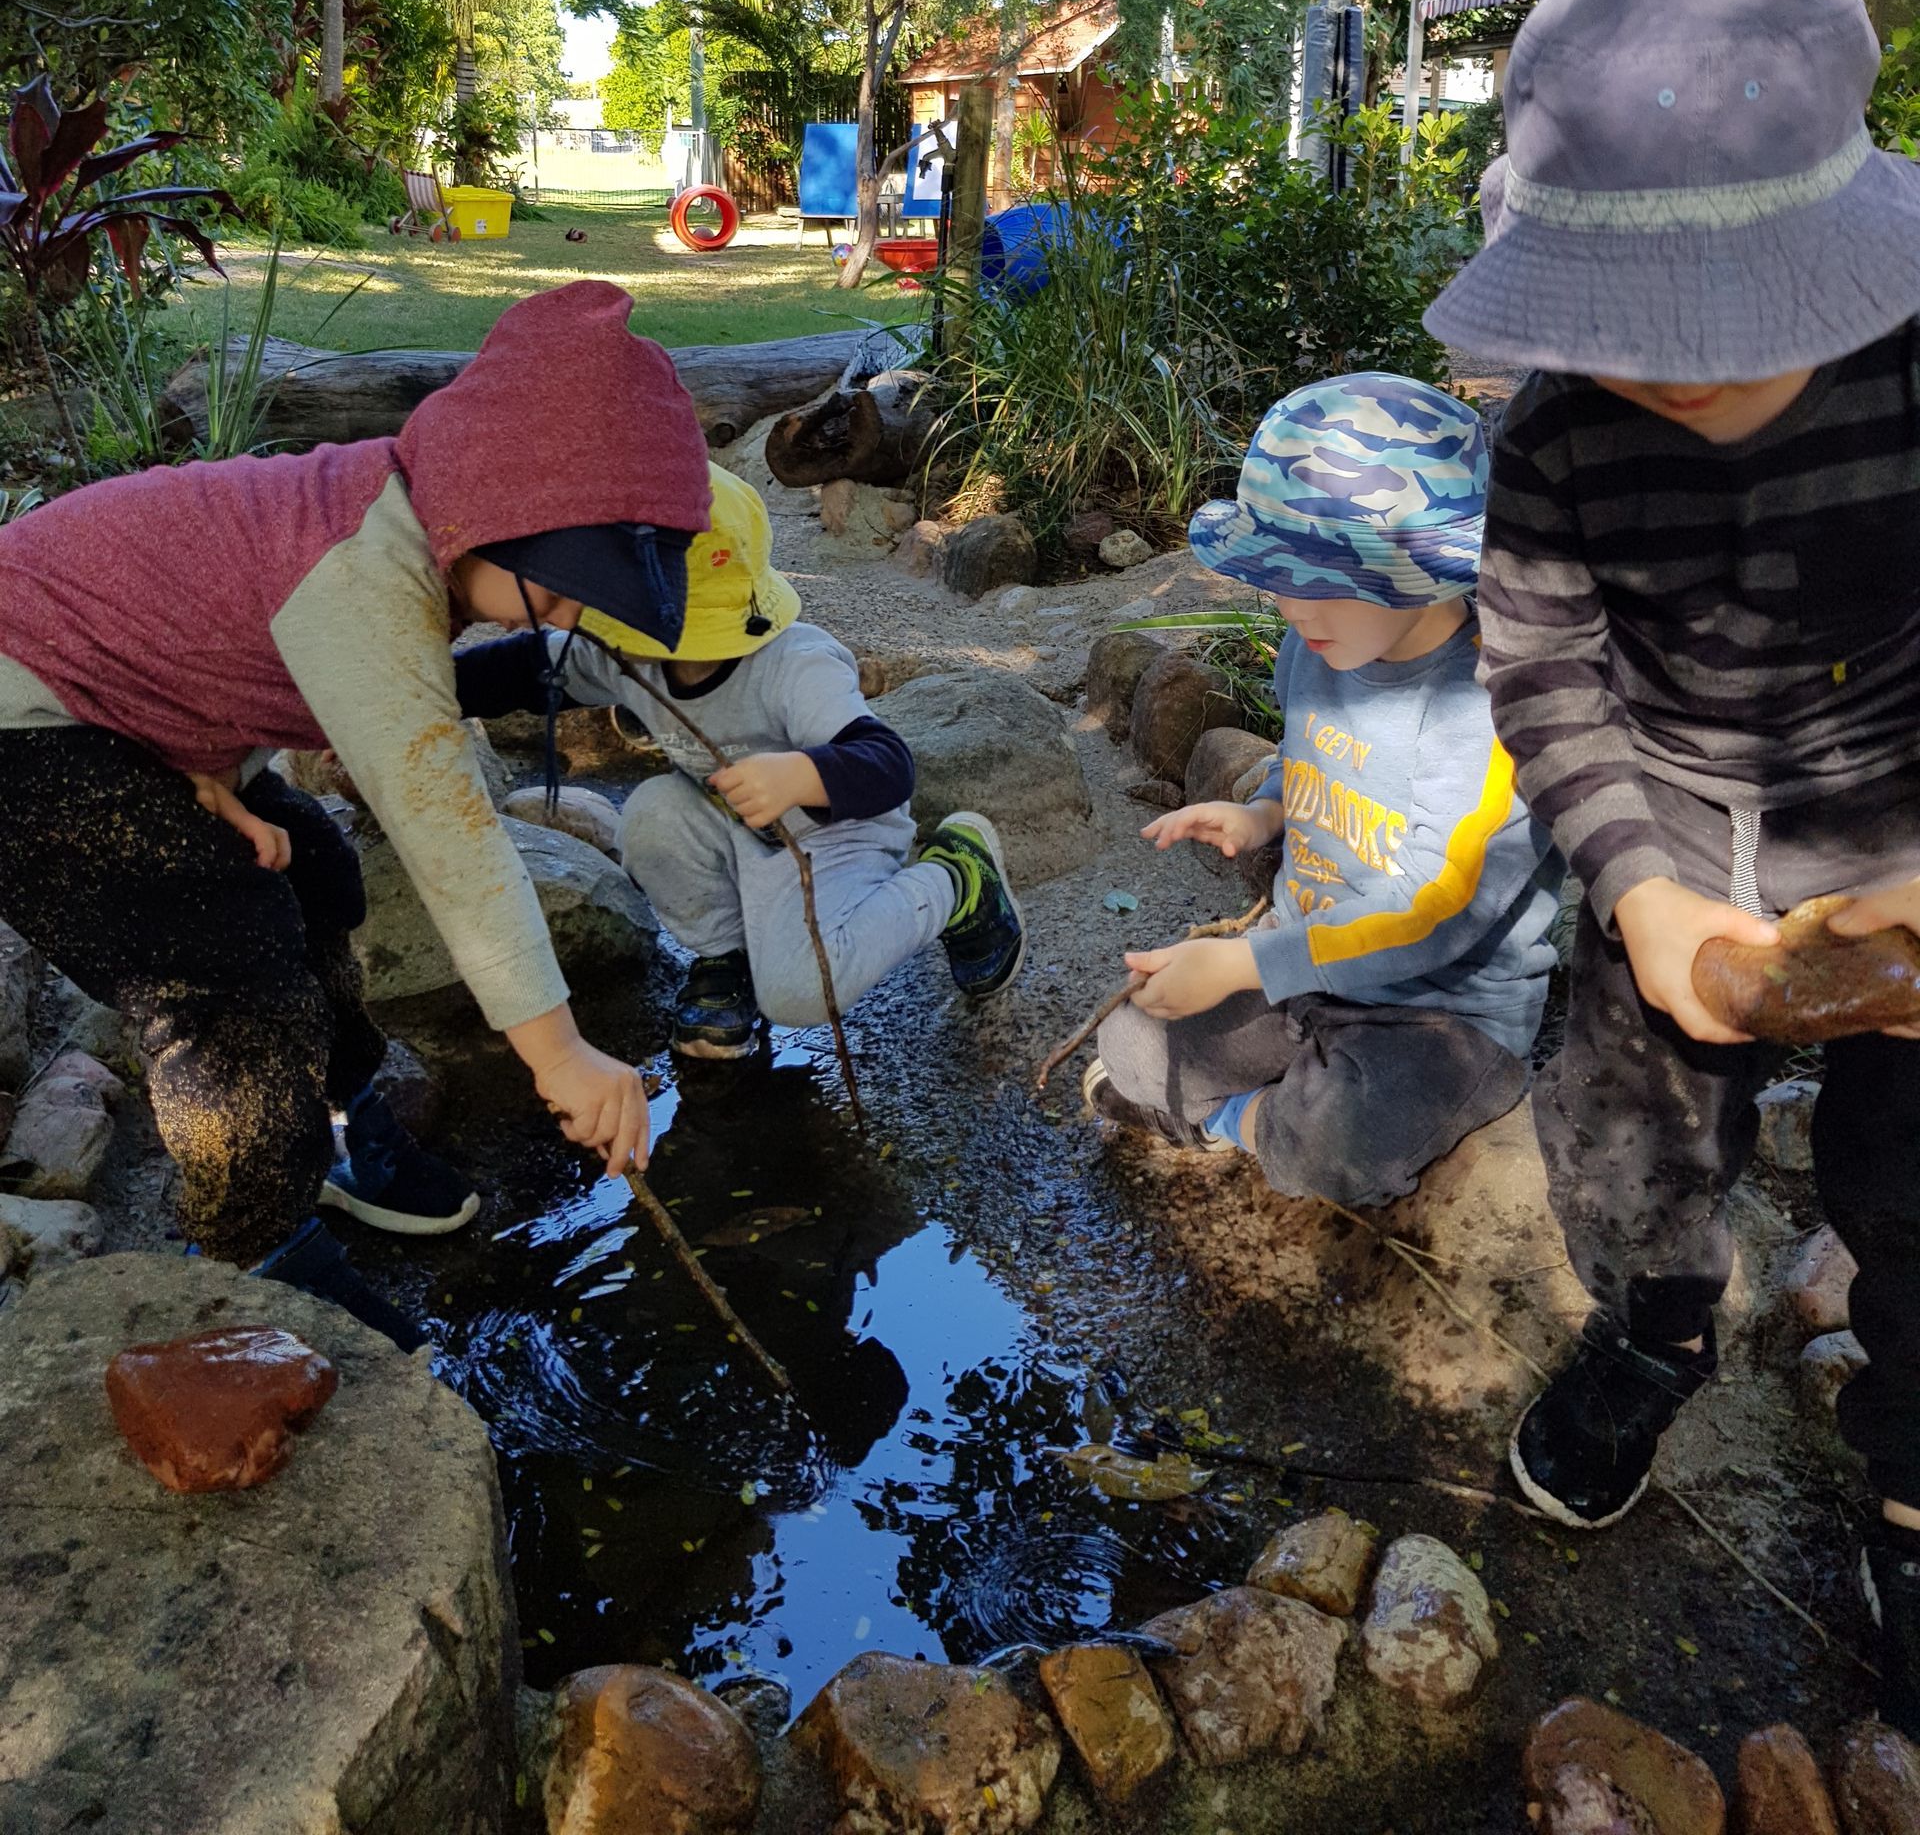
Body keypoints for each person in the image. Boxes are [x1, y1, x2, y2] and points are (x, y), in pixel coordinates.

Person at [1426, 0, 1920, 1731]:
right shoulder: (1558, 434)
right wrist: (1635, 890)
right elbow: (1545, 661)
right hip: (1679, 828)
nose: (1679, 372)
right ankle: (1654, 1326)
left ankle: (1912, 1486)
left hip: (1902, 820)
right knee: (1625, 1130)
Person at [0, 280, 710, 1347]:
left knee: (318, 864)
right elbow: (453, 842)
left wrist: (211, 774)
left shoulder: (402, 514)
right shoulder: (362, 575)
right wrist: (559, 1052)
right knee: (225, 962)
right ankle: (252, 1251)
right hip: (27, 726)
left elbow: (233, 653)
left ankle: (335, 1127)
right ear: (489, 516)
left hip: (124, 718)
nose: (568, 611)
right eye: (558, 590)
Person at [1085, 374, 1562, 1204]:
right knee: (1133, 1039)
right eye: (1277, 575)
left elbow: (1437, 906)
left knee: (1338, 1149)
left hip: (1438, 1010)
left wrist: (1247, 962)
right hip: (1306, 961)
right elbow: (1311, 749)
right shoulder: (1320, 643)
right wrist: (1265, 808)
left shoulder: (1485, 706)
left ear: (1432, 574)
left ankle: (1247, 1124)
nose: (1288, 603)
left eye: (1320, 578)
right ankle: (1257, 1101)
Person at [456, 466, 1027, 1061]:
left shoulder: (794, 663)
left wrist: (798, 775)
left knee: (803, 994)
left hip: (837, 839)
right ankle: (726, 962)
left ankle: (958, 880)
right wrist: (420, 690)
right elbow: (522, 669)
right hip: (732, 827)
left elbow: (886, 766)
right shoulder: (627, 653)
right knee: (648, 814)